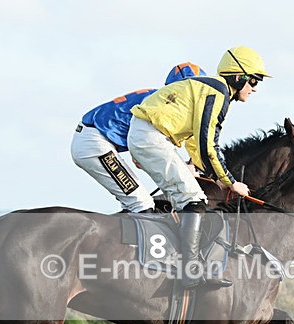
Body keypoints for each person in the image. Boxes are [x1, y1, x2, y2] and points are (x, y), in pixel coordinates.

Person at [127, 46, 271, 288]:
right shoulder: (218, 92)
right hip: (151, 136)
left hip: (149, 135)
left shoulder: (213, 90)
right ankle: (190, 271)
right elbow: (208, 145)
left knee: (189, 196)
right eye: (254, 81)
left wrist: (214, 175)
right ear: (239, 76)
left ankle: (174, 258)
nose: (255, 88)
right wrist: (230, 181)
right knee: (194, 200)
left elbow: (196, 142)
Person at [71, 63, 207, 213]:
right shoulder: (161, 106)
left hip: (96, 139)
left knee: (143, 201)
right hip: (94, 142)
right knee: (141, 203)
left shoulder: (160, 100)